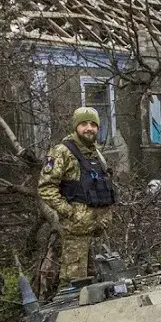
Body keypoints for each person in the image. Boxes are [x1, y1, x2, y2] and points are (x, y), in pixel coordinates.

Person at [38, 106, 116, 285]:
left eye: (93, 124)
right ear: (75, 126)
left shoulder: (95, 153)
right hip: (76, 230)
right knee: (75, 281)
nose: (89, 128)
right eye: (84, 124)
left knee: (99, 280)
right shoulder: (62, 152)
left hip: (98, 229)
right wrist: (70, 212)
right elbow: (46, 188)